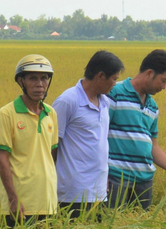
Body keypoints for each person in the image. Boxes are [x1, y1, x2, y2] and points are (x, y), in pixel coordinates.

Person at [107, 49, 166, 210]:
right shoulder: (114, 93)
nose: (164, 87)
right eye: (163, 80)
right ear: (149, 73)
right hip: (116, 179)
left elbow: (153, 145)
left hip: (144, 181)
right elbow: (99, 135)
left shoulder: (152, 106)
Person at [53, 51, 124, 218]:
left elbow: (100, 144)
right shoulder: (68, 101)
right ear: (100, 76)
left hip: (99, 191)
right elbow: (52, 144)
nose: (115, 83)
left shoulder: (105, 102)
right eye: (114, 78)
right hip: (73, 193)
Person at [0, 55, 58, 227]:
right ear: (21, 81)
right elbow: (2, 159)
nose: (40, 84)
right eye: (33, 78)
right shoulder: (6, 114)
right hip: (21, 205)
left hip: (48, 202)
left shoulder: (50, 113)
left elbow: (51, 154)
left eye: (44, 78)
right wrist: (13, 199)